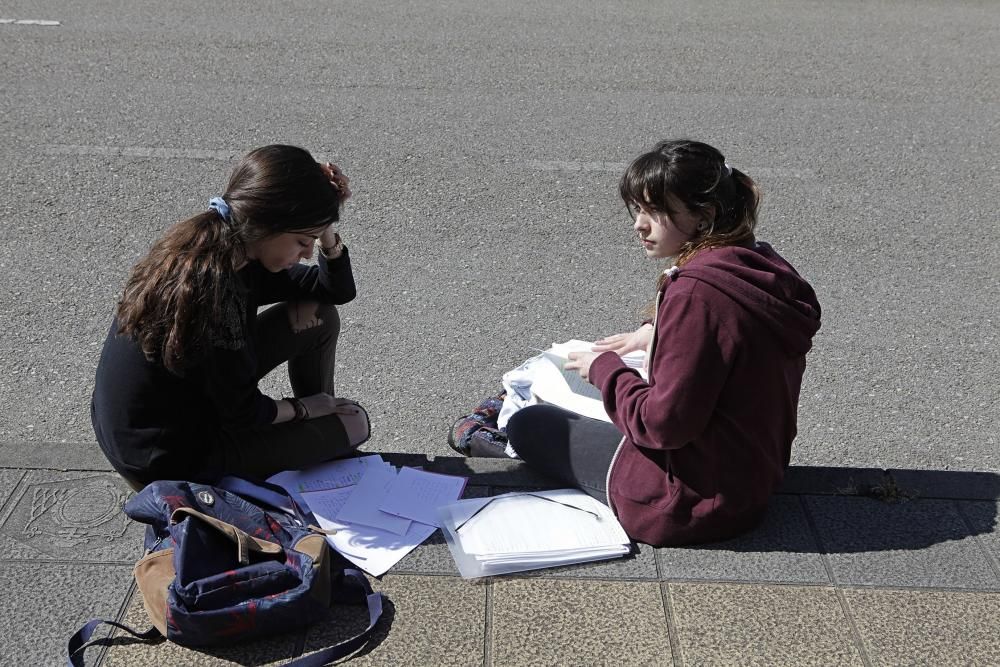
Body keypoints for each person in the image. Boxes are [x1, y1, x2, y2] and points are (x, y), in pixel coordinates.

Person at [503, 139, 822, 546]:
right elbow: (729, 338)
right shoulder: (760, 267)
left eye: (654, 211)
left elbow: (662, 425)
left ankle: (501, 424)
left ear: (703, 216)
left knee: (531, 424)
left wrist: (604, 370)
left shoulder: (696, 295)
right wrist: (654, 330)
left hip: (689, 502)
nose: (639, 224)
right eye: (638, 209)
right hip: (754, 477)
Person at [92, 144, 370, 490]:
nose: (308, 253)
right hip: (166, 458)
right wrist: (305, 409)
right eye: (302, 241)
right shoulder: (216, 289)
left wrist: (326, 223)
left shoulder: (225, 243)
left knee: (318, 315)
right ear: (271, 223)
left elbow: (334, 292)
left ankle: (321, 427)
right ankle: (322, 430)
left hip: (161, 417)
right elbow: (242, 413)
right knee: (356, 423)